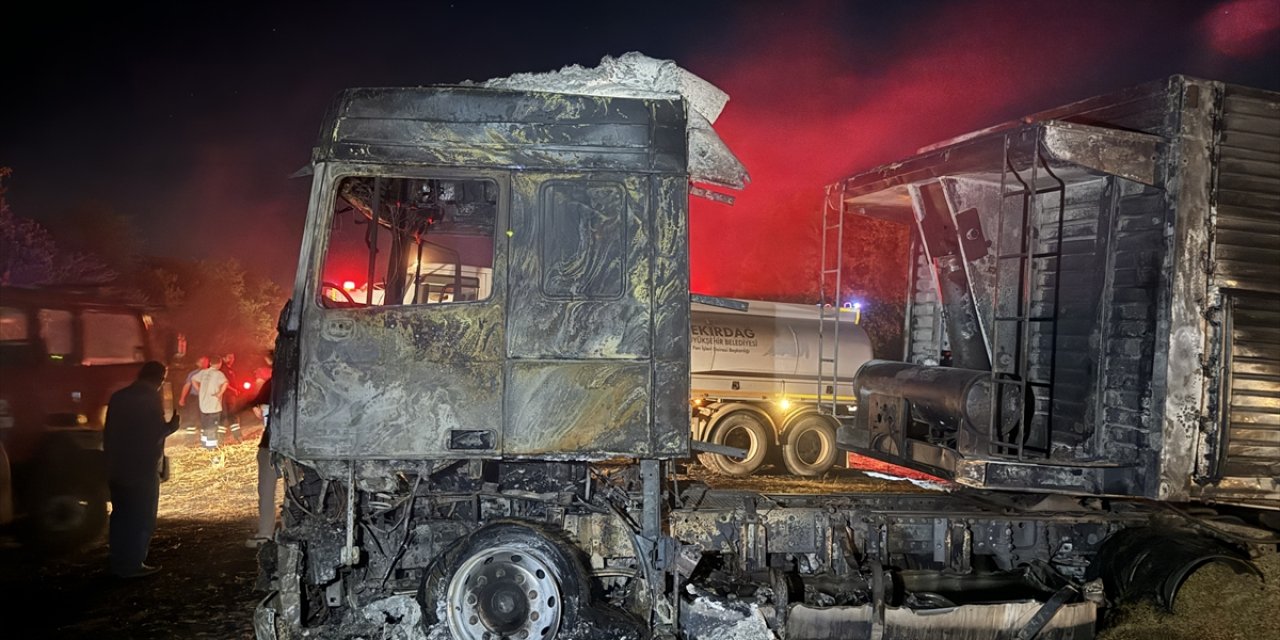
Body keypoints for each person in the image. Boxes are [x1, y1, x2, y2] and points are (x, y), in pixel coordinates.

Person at [103, 360, 180, 578]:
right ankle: (133, 564)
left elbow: (109, 433)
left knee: (120, 516)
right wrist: (170, 428)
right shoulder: (149, 399)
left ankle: (118, 561)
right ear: (160, 379)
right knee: (141, 517)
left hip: (117, 467)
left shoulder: (118, 397)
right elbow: (151, 434)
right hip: (141, 468)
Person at [246, 352, 276, 547]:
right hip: (300, 447)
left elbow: (257, 406)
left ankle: (266, 532)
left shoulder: (272, 383)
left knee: (266, 489)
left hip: (271, 442)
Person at [193, 356, 229, 450]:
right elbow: (225, 383)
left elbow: (193, 379)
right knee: (212, 427)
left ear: (210, 363)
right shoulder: (218, 374)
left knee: (205, 426)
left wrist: (199, 390)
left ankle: (204, 444)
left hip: (203, 405)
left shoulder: (203, 372)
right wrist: (220, 393)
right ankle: (211, 448)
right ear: (219, 363)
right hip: (214, 405)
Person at [177, 355, 210, 446]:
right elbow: (187, 386)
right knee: (192, 418)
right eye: (201, 361)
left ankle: (206, 440)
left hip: (207, 398)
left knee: (206, 418)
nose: (203, 363)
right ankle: (189, 441)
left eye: (205, 361)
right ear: (197, 363)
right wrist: (182, 398)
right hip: (194, 398)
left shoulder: (211, 373)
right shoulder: (193, 374)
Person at [219, 352, 243, 444]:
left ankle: (237, 437)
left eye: (233, 357)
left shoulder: (230, 369)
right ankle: (236, 438)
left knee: (229, 416)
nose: (232, 359)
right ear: (224, 358)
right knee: (229, 416)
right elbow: (224, 383)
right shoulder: (223, 369)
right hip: (227, 396)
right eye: (229, 357)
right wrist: (234, 390)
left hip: (230, 395)